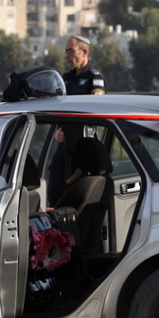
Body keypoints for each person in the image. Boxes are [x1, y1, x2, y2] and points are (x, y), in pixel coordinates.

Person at [47, 34, 107, 205]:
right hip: (64, 144)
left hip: (85, 144)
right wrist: (58, 130)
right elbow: (58, 108)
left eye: (70, 51)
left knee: (81, 194)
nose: (66, 55)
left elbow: (97, 110)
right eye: (65, 51)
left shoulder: (95, 78)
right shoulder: (65, 79)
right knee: (56, 189)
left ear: (84, 52)